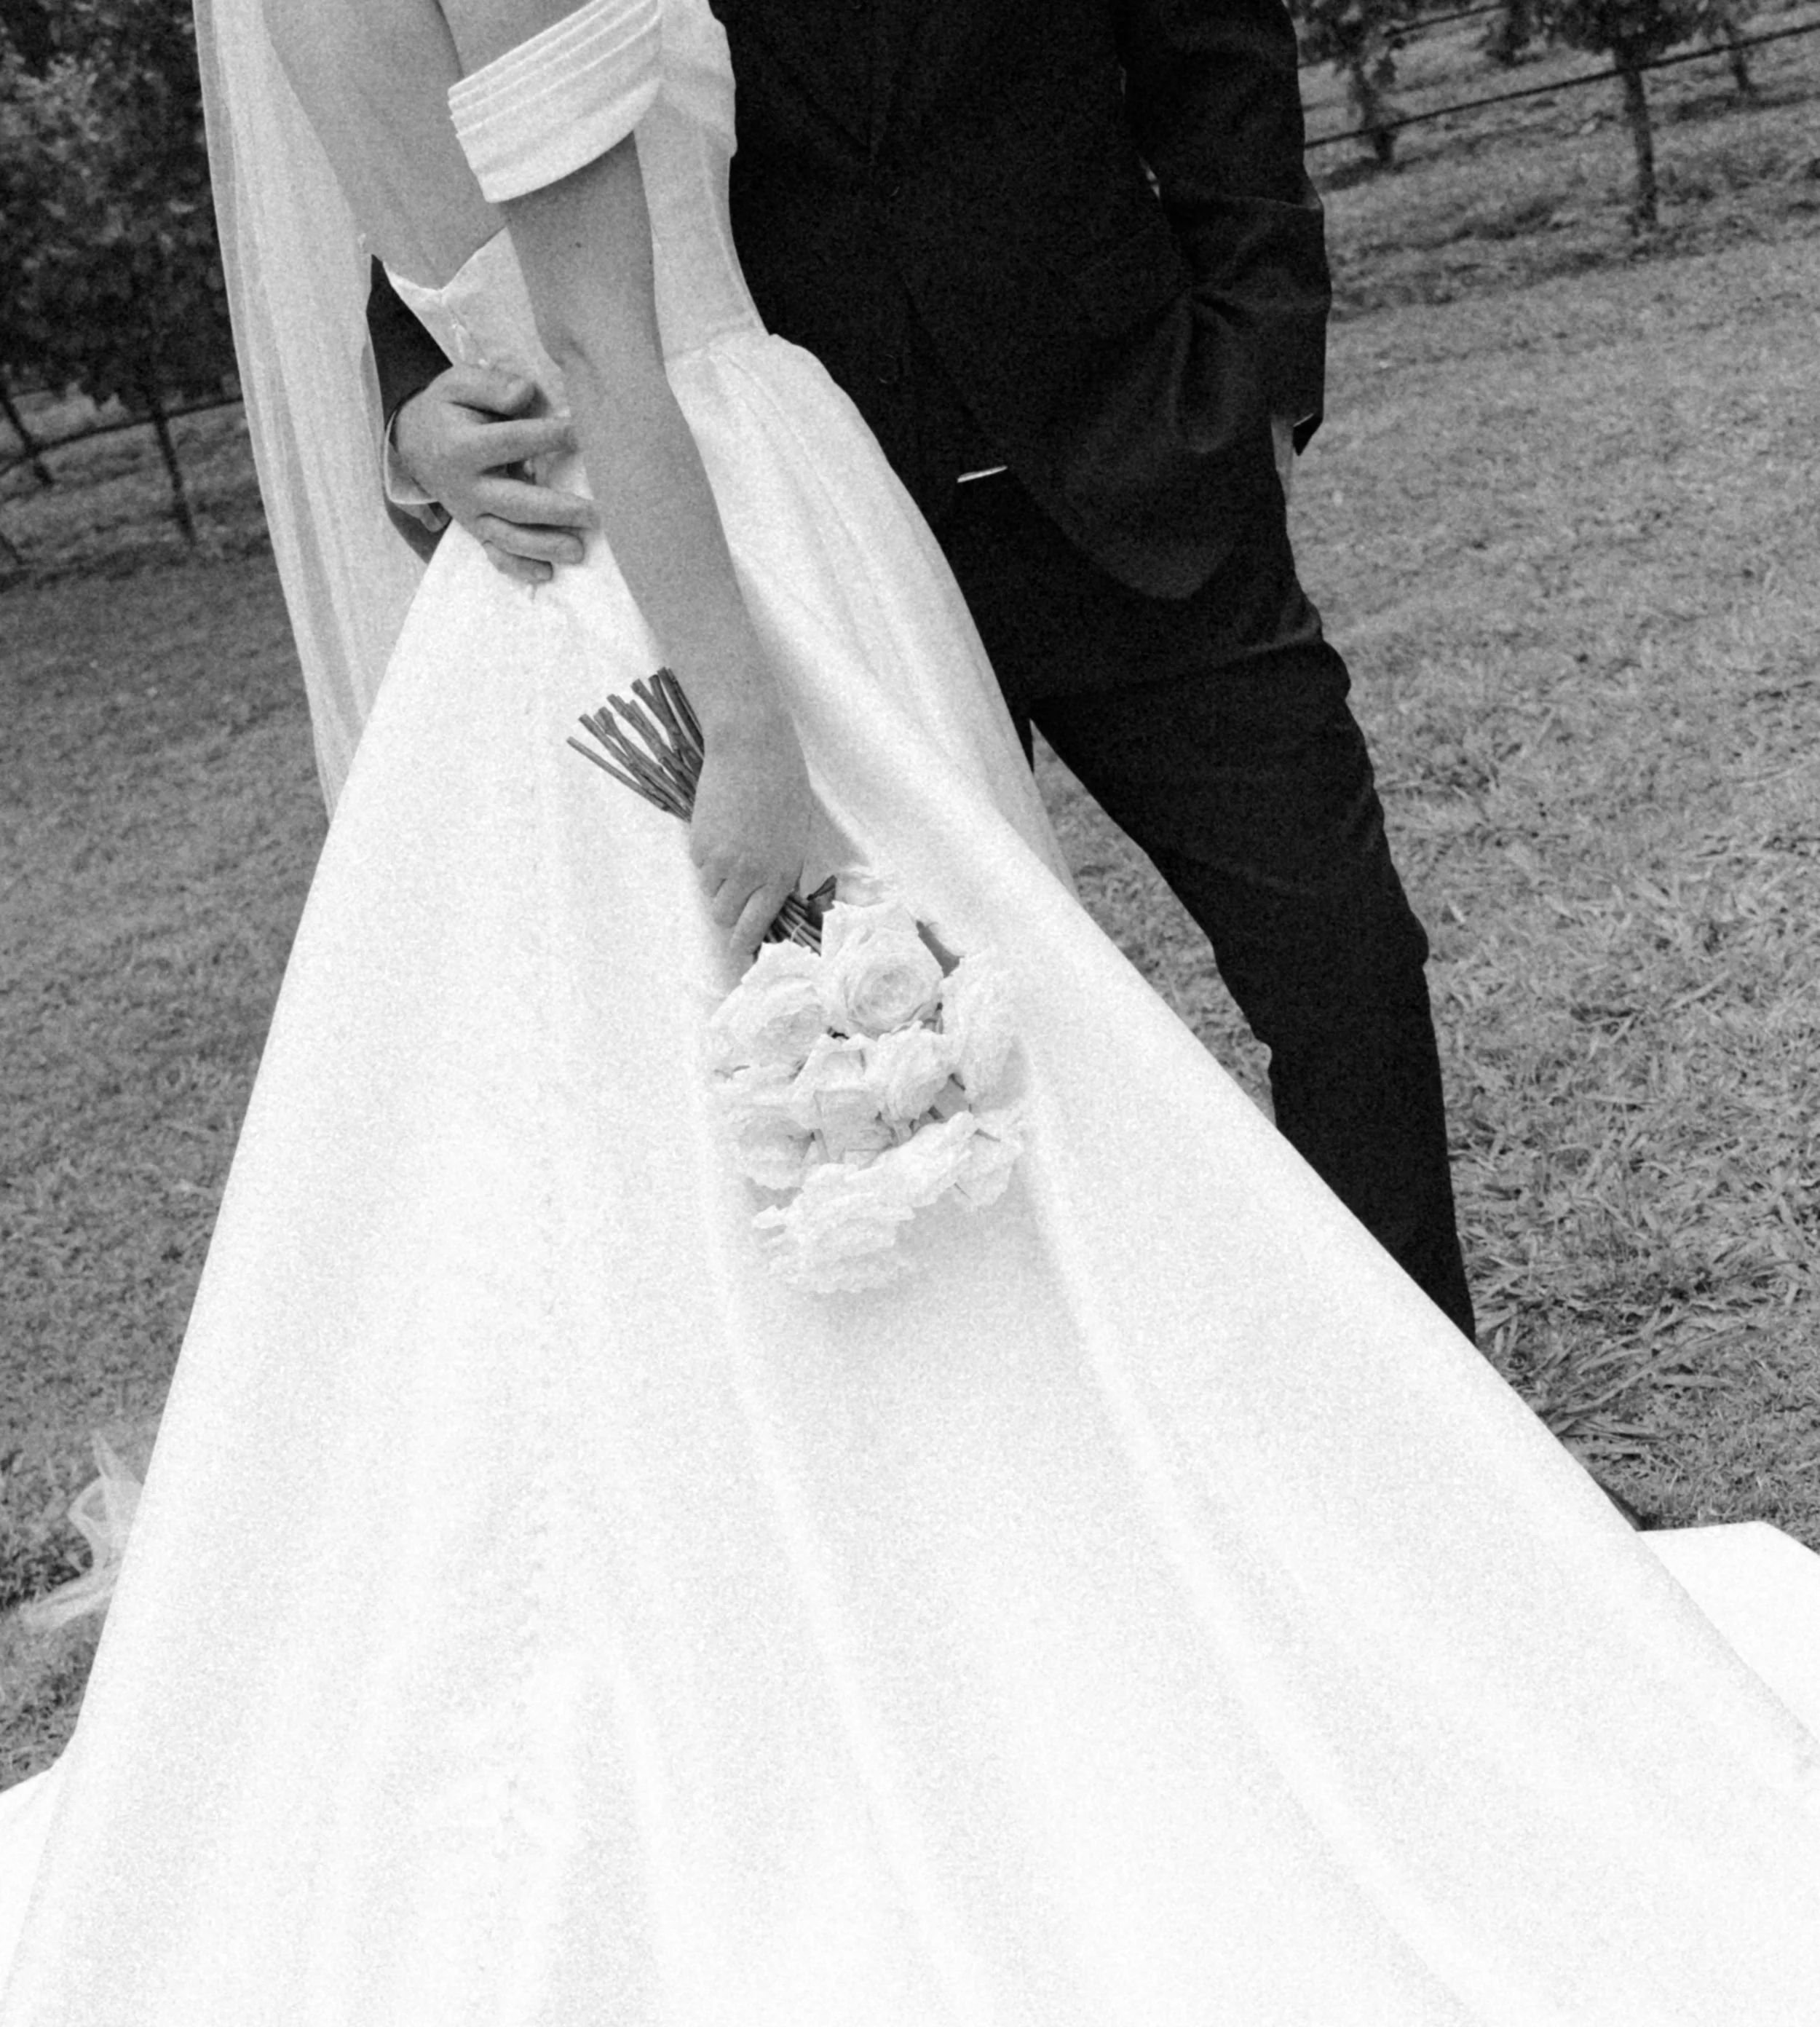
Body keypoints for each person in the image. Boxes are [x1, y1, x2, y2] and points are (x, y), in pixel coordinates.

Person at [1, 1, 1819, 2027]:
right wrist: (615, 606)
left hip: (925, 498)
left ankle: (1245, 1536)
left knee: (1181, 1051)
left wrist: (1219, 377)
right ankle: (951, 1675)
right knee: (853, 1140)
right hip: (726, 572)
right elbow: (546, 307)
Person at [368, 0, 1481, 1341]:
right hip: (821, 570)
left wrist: (1257, 381)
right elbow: (485, 123)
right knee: (917, 1052)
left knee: (1343, 965)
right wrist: (415, 413)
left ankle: (1434, 1444)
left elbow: (1220, 62)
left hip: (1143, 469)